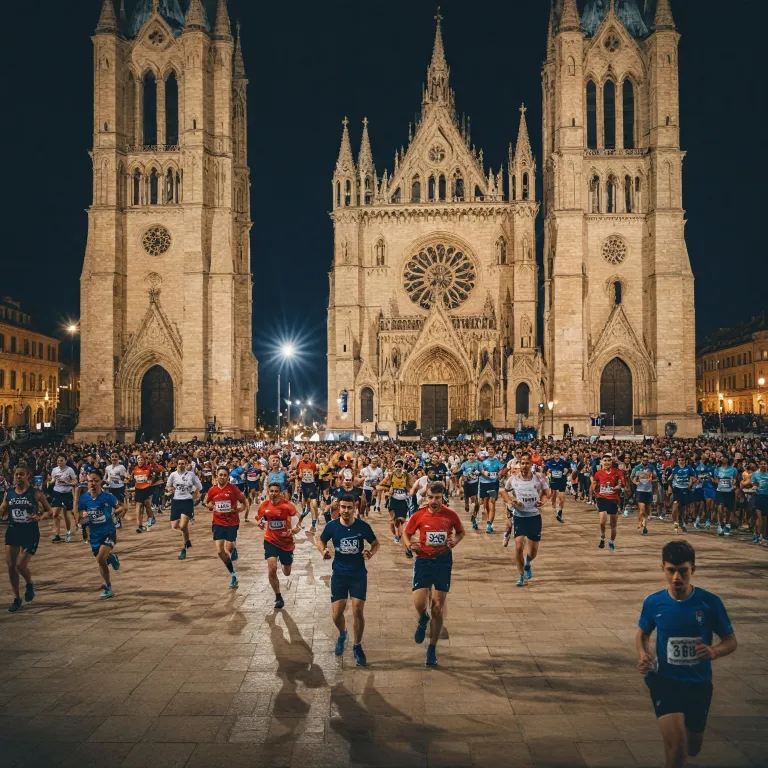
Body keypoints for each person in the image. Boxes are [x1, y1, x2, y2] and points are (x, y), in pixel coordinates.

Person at [636, 540, 737, 768]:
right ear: (662, 568)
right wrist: (643, 653)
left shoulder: (710, 603)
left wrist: (714, 651)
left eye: (682, 571)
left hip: (699, 684)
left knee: (692, 747)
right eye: (671, 570)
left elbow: (731, 640)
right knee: (678, 748)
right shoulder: (654, 602)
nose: (676, 577)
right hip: (665, 682)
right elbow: (642, 634)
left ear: (693, 569)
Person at [403, 481, 465, 667]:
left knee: (437, 607)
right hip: (423, 560)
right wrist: (409, 545)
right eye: (430, 497)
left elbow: (461, 532)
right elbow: (406, 533)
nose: (434, 501)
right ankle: (423, 618)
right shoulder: (419, 515)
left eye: (437, 497)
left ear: (442, 497)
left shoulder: (451, 515)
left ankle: (432, 648)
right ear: (426, 497)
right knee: (419, 603)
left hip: (442, 561)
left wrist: (455, 542)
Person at [317, 493, 379, 666]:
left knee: (358, 610)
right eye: (343, 507)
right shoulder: (332, 526)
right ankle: (343, 633)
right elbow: (321, 541)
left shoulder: (362, 526)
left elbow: (376, 543)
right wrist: (323, 551)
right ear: (338, 507)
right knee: (337, 614)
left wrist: (370, 553)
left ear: (354, 508)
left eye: (349, 508)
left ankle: (357, 646)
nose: (346, 511)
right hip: (339, 574)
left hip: (358, 574)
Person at [1, 463, 51, 612]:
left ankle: (29, 583)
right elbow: (3, 508)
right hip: (13, 530)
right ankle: (16, 598)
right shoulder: (9, 493)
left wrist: (40, 517)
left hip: (30, 531)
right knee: (11, 566)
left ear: (28, 475)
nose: (18, 477)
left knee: (20, 565)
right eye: (16, 474)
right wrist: (2, 510)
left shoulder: (35, 493)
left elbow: (49, 511)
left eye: (21, 474)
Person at [501, 451, 549, 586]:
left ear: (531, 464)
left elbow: (547, 493)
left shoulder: (538, 479)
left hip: (534, 517)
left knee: (533, 552)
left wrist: (542, 502)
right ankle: (521, 575)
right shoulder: (513, 479)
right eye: (522, 463)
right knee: (518, 546)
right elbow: (504, 491)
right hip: (520, 517)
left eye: (527, 463)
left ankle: (528, 562)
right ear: (519, 464)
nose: (525, 465)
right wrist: (511, 502)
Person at [78, 469, 123, 600]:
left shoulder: (108, 497)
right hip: (94, 535)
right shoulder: (84, 498)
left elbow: (122, 507)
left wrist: (114, 514)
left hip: (109, 532)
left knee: (99, 559)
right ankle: (108, 586)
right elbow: (80, 515)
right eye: (90, 481)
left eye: (95, 481)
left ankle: (106, 586)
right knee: (102, 561)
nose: (92, 483)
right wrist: (83, 516)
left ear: (101, 482)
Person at [257, 481, 302, 609]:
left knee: (287, 572)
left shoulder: (287, 506)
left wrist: (295, 529)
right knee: (272, 568)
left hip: (286, 542)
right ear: (268, 492)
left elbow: (299, 517)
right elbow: (259, 518)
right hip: (270, 540)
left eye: (276, 491)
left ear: (280, 493)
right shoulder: (264, 505)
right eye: (271, 491)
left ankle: (285, 561)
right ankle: (278, 597)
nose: (274, 493)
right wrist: (259, 523)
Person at [205, 466, 248, 588]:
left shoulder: (233, 489)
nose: (222, 477)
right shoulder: (212, 489)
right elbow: (207, 502)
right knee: (220, 551)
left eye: (225, 475)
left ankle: (234, 547)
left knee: (228, 548)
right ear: (216, 475)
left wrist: (239, 510)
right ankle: (233, 573)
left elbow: (244, 501)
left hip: (232, 522)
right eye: (220, 475)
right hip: (218, 522)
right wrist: (211, 506)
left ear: (228, 476)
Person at [166, 456, 203, 560]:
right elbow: (168, 486)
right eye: (179, 464)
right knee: (174, 526)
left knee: (182, 526)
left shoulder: (191, 475)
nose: (181, 465)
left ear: (186, 464)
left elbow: (200, 486)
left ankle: (184, 548)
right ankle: (187, 540)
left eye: (183, 464)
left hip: (187, 501)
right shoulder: (173, 475)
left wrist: (195, 492)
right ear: (177, 465)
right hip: (176, 501)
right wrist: (170, 489)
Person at [591, 454, 628, 551]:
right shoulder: (598, 473)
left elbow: (623, 483)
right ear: (602, 462)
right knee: (602, 521)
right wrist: (594, 492)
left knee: (613, 525)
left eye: (609, 460)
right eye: (605, 460)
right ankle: (602, 536)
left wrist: (620, 486)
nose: (607, 462)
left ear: (612, 462)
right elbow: (594, 485)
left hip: (613, 500)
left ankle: (611, 541)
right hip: (602, 498)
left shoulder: (617, 472)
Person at [376, 458, 411, 548]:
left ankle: (399, 534)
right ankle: (396, 535)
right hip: (393, 500)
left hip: (403, 500)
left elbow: (411, 486)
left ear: (402, 467)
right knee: (394, 520)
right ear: (394, 467)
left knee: (401, 520)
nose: (398, 468)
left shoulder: (406, 475)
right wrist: (389, 489)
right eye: (396, 466)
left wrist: (410, 492)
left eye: (400, 466)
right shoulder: (390, 475)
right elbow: (379, 486)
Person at [49, 453, 77, 543]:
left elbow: (75, 481)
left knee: (66, 514)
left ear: (65, 461)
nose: (59, 462)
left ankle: (68, 532)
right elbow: (53, 480)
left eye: (61, 460)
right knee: (55, 514)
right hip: (57, 492)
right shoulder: (54, 470)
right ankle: (57, 535)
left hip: (67, 493)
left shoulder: (70, 470)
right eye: (58, 461)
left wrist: (68, 483)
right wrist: (50, 482)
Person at [668, 455, 696, 534]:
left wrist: (690, 485)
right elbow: (670, 479)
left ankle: (682, 521)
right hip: (677, 489)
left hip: (686, 489)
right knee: (675, 506)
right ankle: (675, 522)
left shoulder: (689, 468)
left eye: (682, 460)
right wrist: (672, 488)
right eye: (679, 460)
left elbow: (693, 478)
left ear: (685, 461)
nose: (681, 461)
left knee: (684, 508)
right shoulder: (675, 469)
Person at [479, 446, 503, 534]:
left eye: (492, 450)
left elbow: (501, 470)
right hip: (484, 484)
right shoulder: (484, 462)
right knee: (486, 504)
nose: (490, 451)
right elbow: (481, 471)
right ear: (487, 452)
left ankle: (489, 524)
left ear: (494, 452)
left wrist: (500, 473)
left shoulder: (498, 462)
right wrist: (483, 472)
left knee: (492, 502)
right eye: (489, 450)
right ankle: (489, 520)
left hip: (493, 484)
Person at [713, 457, 738, 536]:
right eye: (722, 458)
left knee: (728, 509)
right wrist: (718, 481)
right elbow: (715, 479)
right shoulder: (717, 469)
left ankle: (727, 525)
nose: (724, 460)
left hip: (729, 491)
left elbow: (735, 479)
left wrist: (733, 482)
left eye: (725, 458)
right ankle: (720, 525)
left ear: (727, 459)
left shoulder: (733, 469)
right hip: (720, 491)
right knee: (720, 507)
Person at [630, 454, 655, 535]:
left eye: (646, 460)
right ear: (641, 460)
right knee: (642, 510)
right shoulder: (637, 467)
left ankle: (645, 527)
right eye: (644, 460)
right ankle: (640, 523)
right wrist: (635, 482)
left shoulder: (651, 467)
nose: (645, 461)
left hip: (648, 490)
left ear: (648, 460)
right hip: (640, 490)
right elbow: (632, 477)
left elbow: (655, 477)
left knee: (647, 510)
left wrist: (652, 478)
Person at [544, 447, 569, 524]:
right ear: (553, 454)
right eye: (555, 453)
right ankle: (553, 504)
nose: (556, 454)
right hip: (553, 481)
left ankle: (559, 514)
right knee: (554, 495)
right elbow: (545, 470)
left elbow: (568, 470)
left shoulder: (564, 462)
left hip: (562, 481)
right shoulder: (549, 462)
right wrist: (548, 472)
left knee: (562, 498)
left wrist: (566, 471)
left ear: (560, 454)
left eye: (557, 453)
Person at [747, 458, 768, 546]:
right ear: (759, 465)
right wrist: (755, 485)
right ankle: (759, 535)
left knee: (765, 519)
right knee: (759, 517)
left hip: (766, 497)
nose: (763, 465)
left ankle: (761, 535)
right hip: (758, 497)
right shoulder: (755, 474)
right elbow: (753, 484)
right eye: (761, 464)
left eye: (764, 464)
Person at [459, 449, 482, 530]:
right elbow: (460, 474)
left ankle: (474, 518)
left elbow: (482, 472)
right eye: (469, 455)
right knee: (467, 505)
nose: (471, 457)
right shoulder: (464, 464)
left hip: (475, 484)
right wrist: (460, 486)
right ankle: (466, 504)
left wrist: (476, 474)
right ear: (467, 456)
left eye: (472, 455)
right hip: (467, 484)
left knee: (476, 503)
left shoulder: (478, 463)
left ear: (475, 456)